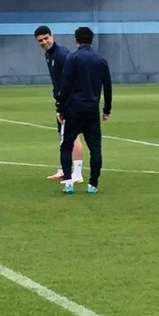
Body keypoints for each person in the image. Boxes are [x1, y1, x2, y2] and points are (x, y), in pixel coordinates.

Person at [55, 26, 111, 195]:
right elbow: (107, 87)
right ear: (92, 40)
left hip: (74, 108)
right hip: (92, 109)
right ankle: (93, 184)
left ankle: (68, 182)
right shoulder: (101, 60)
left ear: (76, 40)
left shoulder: (72, 58)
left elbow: (65, 84)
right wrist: (107, 109)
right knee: (95, 147)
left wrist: (60, 107)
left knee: (66, 145)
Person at [35, 26, 84, 184]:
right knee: (63, 137)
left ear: (52, 36)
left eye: (46, 38)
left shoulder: (62, 54)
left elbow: (73, 79)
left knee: (72, 137)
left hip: (70, 102)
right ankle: (66, 169)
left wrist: (64, 105)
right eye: (40, 40)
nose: (44, 42)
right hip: (62, 101)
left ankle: (77, 174)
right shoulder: (49, 55)